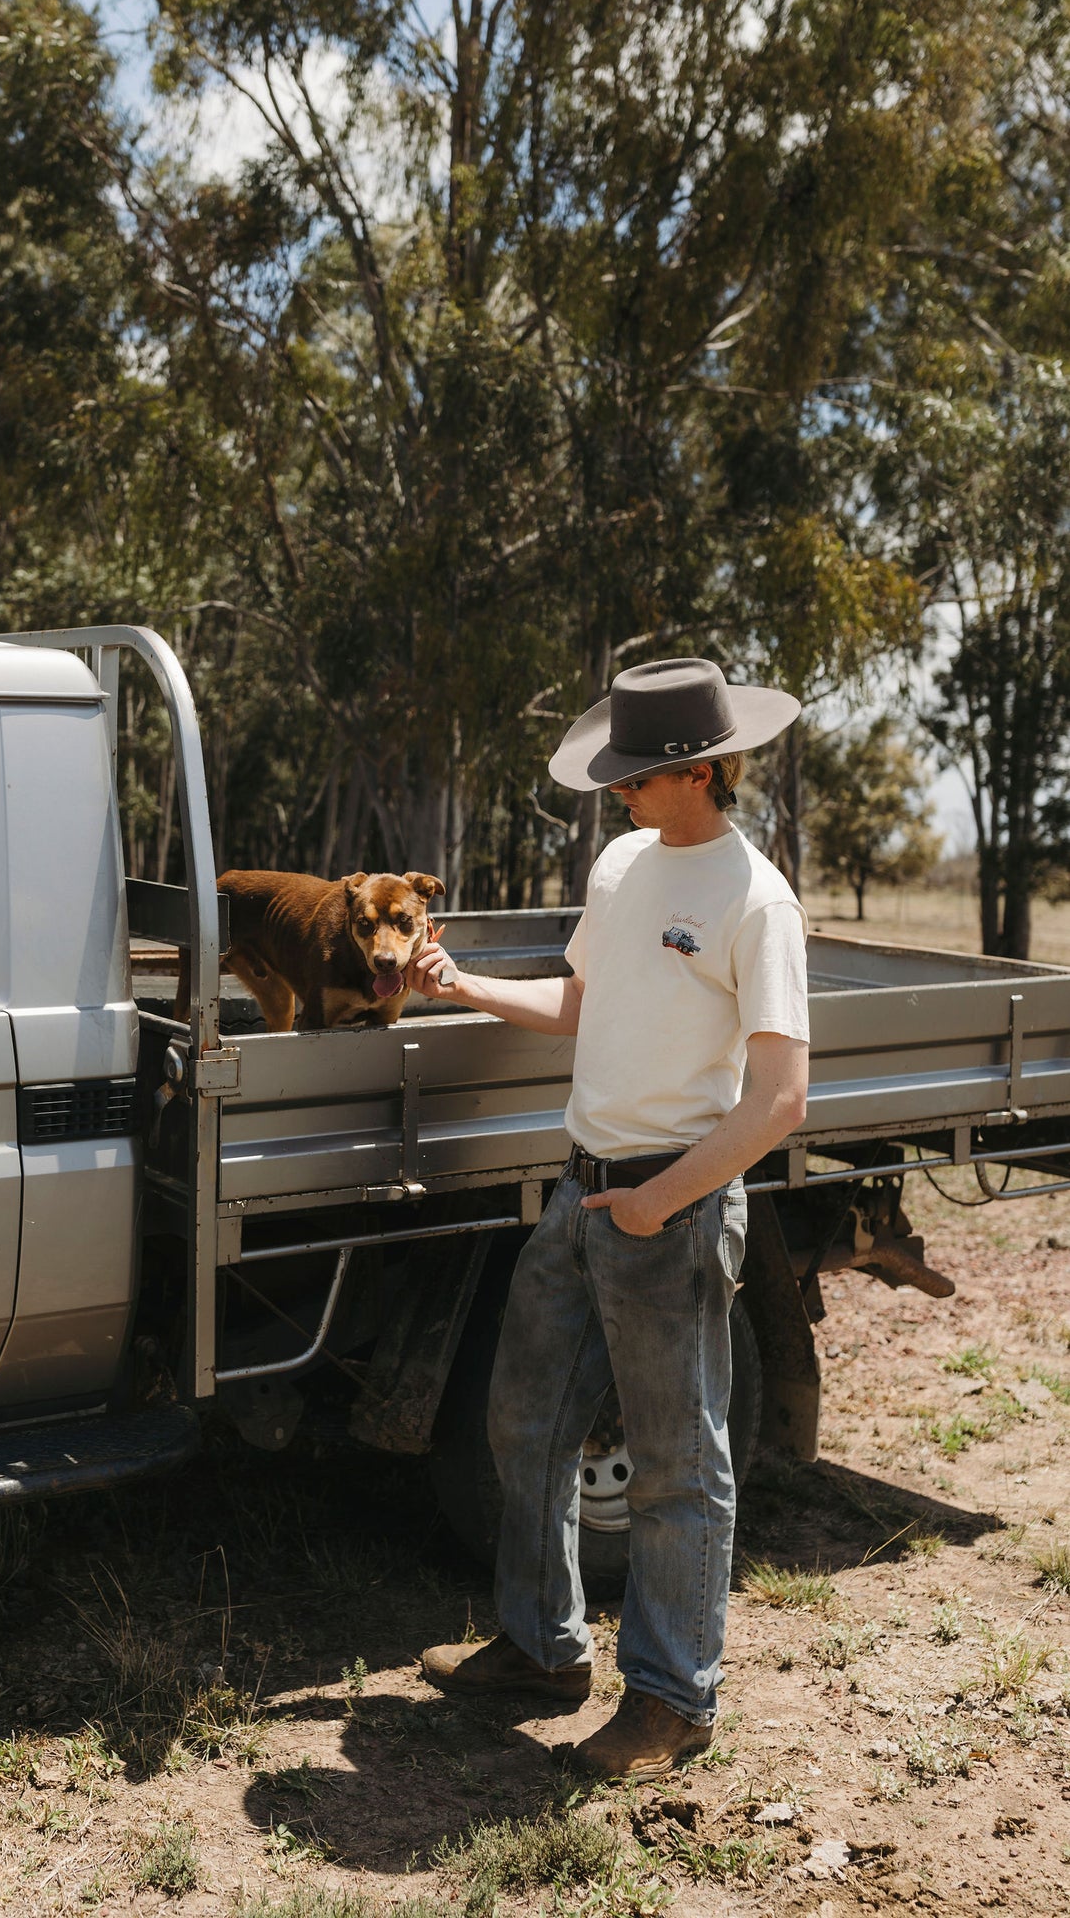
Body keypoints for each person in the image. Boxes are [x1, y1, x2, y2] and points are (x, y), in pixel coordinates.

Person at [412, 657, 810, 1780]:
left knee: (679, 1462)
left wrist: (661, 1198)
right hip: (583, 1191)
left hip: (667, 1208)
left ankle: (673, 1701)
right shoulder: (624, 863)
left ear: (692, 771)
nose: (615, 793)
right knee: (522, 1417)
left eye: (630, 777)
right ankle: (541, 1648)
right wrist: (469, 984)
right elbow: (583, 1004)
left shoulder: (754, 898)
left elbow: (778, 1098)